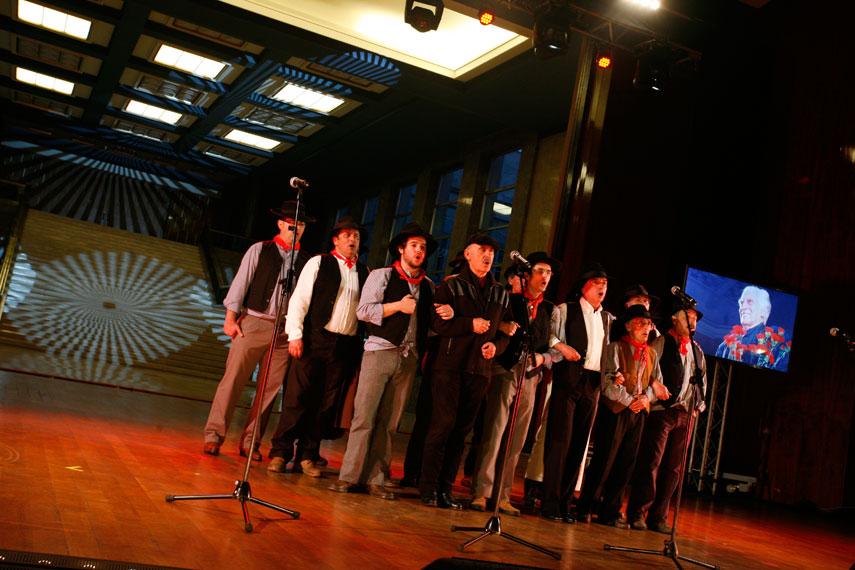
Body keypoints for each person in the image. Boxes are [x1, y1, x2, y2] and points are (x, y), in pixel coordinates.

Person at [329, 223, 454, 499]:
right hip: (379, 351)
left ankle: (376, 478)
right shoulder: (382, 275)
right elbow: (363, 311)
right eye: (414, 246)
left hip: (408, 359)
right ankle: (349, 476)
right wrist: (398, 306)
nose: (419, 251)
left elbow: (429, 327)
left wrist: (446, 314)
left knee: (389, 422)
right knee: (364, 417)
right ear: (401, 249)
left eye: (423, 247)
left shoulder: (428, 286)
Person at [202, 200, 313, 460]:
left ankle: (251, 441)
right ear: (280, 224)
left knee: (269, 390)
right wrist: (230, 319)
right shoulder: (260, 249)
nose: (295, 228)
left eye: (300, 224)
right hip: (254, 322)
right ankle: (214, 435)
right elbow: (241, 283)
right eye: (291, 223)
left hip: (284, 330)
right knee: (232, 380)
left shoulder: (307, 261)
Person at [267, 217, 369, 477]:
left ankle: (308, 455)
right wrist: (295, 335)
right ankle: (280, 452)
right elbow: (300, 300)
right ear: (336, 240)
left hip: (344, 345)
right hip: (314, 339)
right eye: (347, 235)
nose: (352, 240)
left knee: (326, 403)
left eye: (356, 236)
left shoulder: (364, 271)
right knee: (296, 397)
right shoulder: (319, 262)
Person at [419, 234, 512, 509]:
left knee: (461, 432)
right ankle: (428, 487)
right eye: (482, 250)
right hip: (449, 367)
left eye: (491, 252)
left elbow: (507, 330)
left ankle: (446, 489)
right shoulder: (452, 286)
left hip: (479, 371)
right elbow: (437, 324)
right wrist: (469, 324)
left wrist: (496, 346)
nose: (487, 255)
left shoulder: (500, 292)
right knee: (443, 426)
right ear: (468, 254)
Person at [470, 252, 560, 516]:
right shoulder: (509, 299)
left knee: (517, 438)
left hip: (531, 375)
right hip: (505, 370)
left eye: (549, 273)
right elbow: (489, 325)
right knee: (495, 431)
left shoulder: (550, 309)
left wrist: (544, 358)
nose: (545, 277)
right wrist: (502, 325)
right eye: (540, 271)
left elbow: (554, 346)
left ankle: (502, 494)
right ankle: (482, 491)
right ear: (527, 275)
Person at [574, 304, 669, 528]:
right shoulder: (615, 348)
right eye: (640, 323)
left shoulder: (651, 354)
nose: (645, 328)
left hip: (638, 414)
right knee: (604, 460)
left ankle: (611, 510)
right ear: (628, 326)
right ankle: (586, 506)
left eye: (648, 324)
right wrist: (630, 401)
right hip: (616, 411)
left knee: (626, 463)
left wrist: (645, 399)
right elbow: (608, 384)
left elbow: (656, 384)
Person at [540, 263, 613, 523]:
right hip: (569, 379)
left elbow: (607, 350)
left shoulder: (607, 318)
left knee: (579, 445)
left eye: (605, 285)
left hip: (592, 383)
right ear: (584, 287)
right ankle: (549, 502)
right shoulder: (565, 309)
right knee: (559, 441)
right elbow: (548, 335)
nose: (602, 288)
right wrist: (562, 347)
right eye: (597, 283)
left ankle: (565, 502)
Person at [628, 296, 706, 533]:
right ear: (674, 319)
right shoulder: (662, 342)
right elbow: (646, 367)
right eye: (688, 317)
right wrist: (654, 385)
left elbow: (702, 380)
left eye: (695, 319)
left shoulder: (697, 350)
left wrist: (697, 407)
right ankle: (638, 512)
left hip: (685, 414)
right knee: (651, 462)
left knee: (673, 468)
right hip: (663, 411)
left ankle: (659, 516)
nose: (692, 323)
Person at [715, 285, 791, 370]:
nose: (742, 307)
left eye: (750, 302)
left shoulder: (777, 340)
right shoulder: (724, 346)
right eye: (741, 303)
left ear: (763, 311)